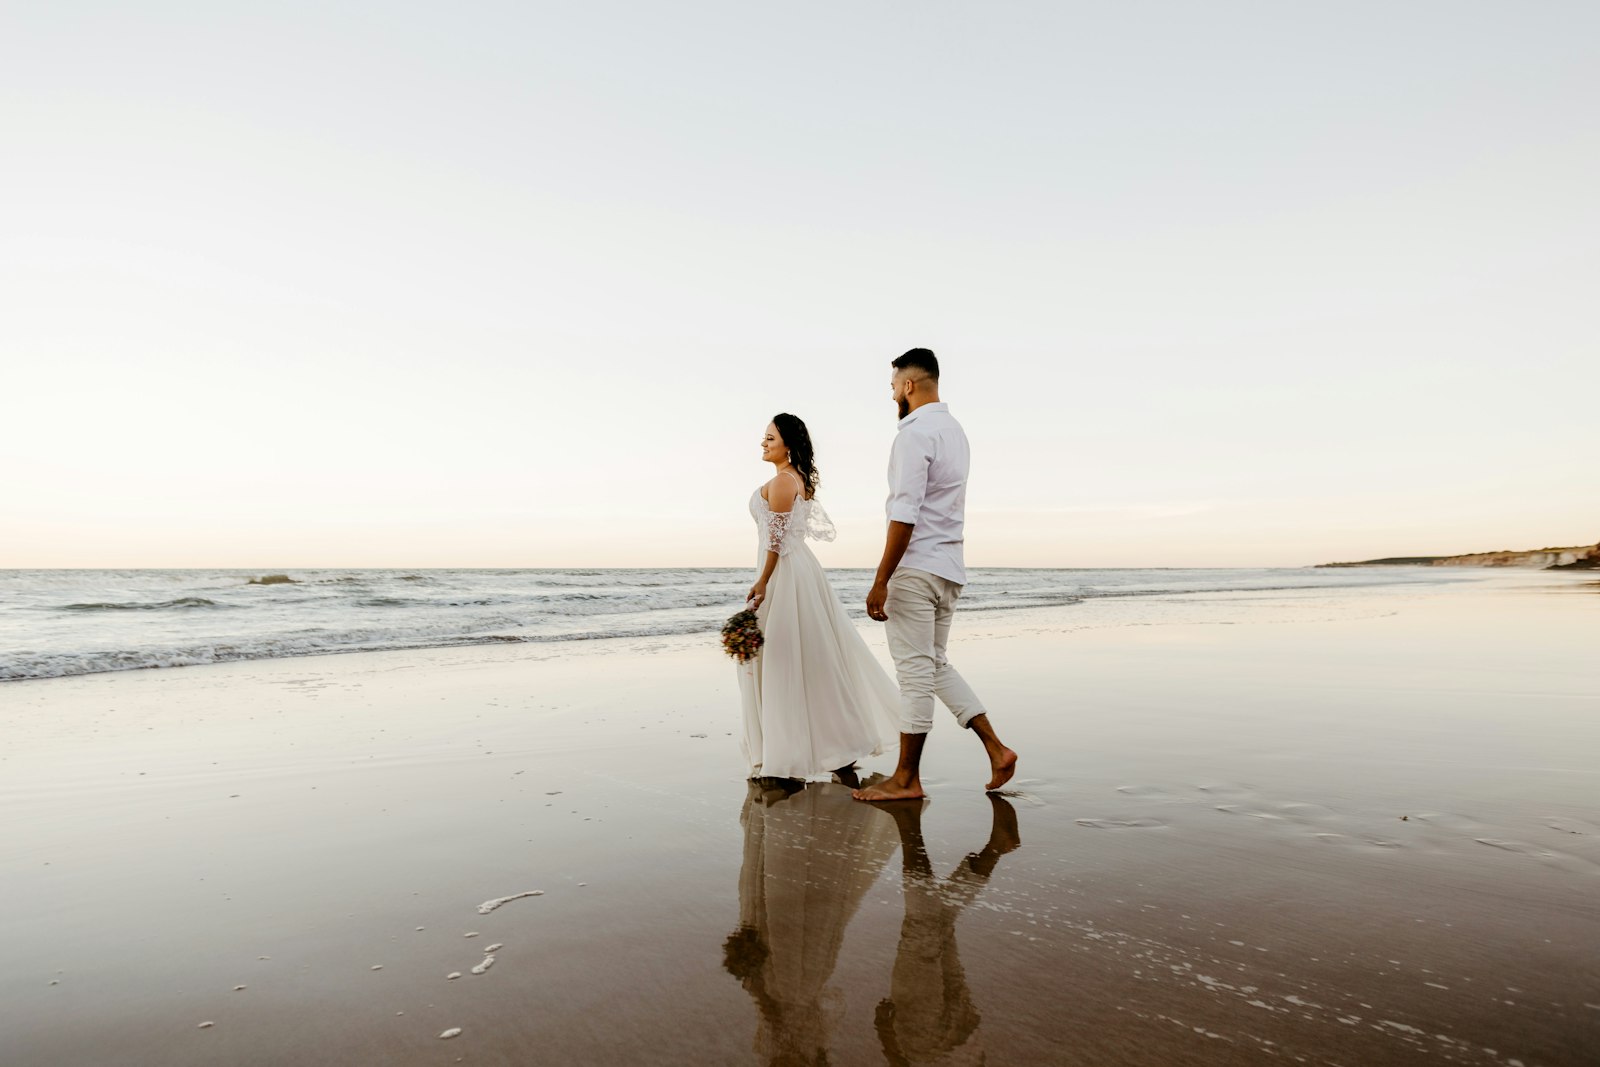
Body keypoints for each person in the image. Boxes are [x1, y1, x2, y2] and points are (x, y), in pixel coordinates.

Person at [854, 349, 1018, 803]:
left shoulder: (914, 434)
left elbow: (904, 512)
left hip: (917, 568)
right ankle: (997, 749)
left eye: (892, 388)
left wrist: (881, 579)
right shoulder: (955, 431)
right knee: (934, 665)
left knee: (914, 675)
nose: (892, 397)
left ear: (909, 385)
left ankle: (906, 779)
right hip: (949, 569)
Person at [737, 413, 901, 783]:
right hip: (797, 572)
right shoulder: (796, 479)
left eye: (770, 438)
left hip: (785, 574)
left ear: (788, 445)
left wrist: (763, 581)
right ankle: (827, 751)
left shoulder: (782, 481)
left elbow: (776, 541)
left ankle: (797, 753)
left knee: (784, 660)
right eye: (764, 438)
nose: (763, 444)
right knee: (807, 660)